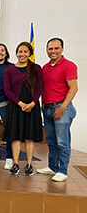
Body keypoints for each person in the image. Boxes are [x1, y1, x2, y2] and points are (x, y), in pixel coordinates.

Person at [37, 38, 78, 182]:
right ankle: (52, 167)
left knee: (62, 141)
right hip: (47, 109)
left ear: (62, 49)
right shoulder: (45, 68)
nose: (53, 51)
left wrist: (62, 107)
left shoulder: (69, 65)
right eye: (50, 49)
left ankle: (63, 170)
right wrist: (42, 103)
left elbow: (74, 88)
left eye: (56, 48)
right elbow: (43, 88)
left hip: (62, 108)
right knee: (51, 141)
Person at [2, 41, 43, 176]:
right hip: (15, 107)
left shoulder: (36, 68)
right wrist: (19, 103)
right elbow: (7, 90)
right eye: (20, 51)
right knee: (16, 137)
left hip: (32, 107)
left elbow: (39, 88)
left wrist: (32, 103)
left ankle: (29, 165)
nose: (22, 54)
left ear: (30, 53)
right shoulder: (9, 70)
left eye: (25, 51)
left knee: (29, 137)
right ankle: (15, 164)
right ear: (16, 53)